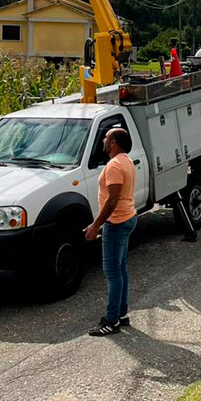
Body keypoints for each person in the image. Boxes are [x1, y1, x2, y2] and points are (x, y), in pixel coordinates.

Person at [85, 127, 137, 336]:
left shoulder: (115, 165)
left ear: (114, 142)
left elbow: (112, 200)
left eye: (106, 138)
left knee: (113, 273)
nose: (103, 140)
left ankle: (112, 320)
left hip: (116, 223)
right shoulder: (126, 160)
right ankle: (122, 314)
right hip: (127, 218)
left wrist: (96, 225)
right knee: (121, 268)